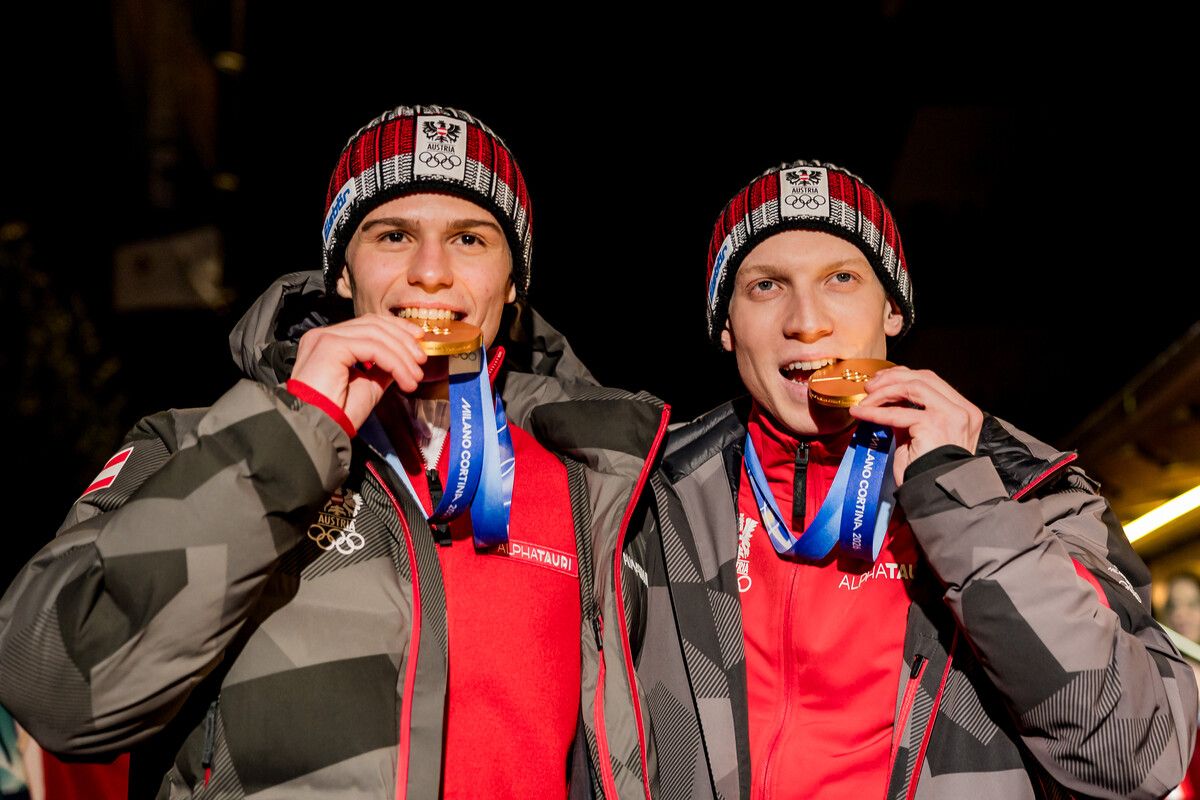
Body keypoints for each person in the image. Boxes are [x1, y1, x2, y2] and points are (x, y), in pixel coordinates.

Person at [0, 105, 666, 799]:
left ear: (513, 283)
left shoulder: (600, 486)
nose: (430, 272)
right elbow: (52, 684)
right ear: (342, 273)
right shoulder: (195, 445)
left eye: (470, 238)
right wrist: (290, 436)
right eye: (393, 234)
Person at [627, 160, 1197, 799]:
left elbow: (1137, 755)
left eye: (841, 278)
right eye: (766, 286)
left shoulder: (1025, 483)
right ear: (726, 327)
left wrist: (963, 500)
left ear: (892, 309)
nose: (806, 320)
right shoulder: (646, 492)